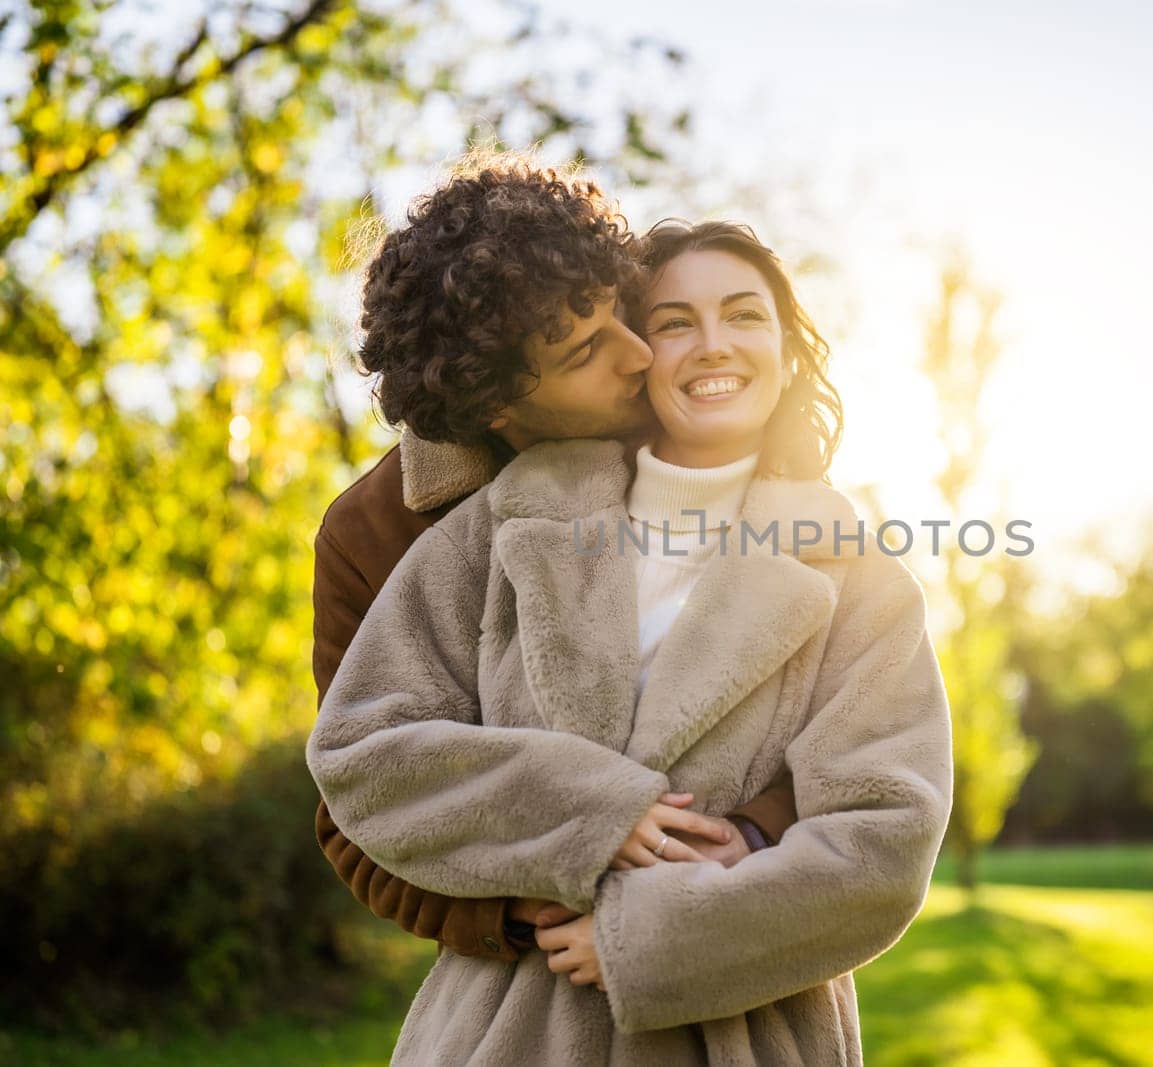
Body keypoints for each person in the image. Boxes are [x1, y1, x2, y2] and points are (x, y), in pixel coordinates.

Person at [306, 214, 953, 1064]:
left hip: (749, 1032)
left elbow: (886, 836)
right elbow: (363, 754)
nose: (709, 345)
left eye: (747, 315)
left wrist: (659, 929)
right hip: (511, 1028)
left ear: (792, 352)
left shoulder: (860, 577)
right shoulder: (492, 525)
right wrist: (582, 813)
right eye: (674, 322)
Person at [309, 152, 800, 965]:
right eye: (582, 353)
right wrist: (518, 909)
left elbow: (828, 705)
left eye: (618, 311)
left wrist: (748, 839)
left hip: (730, 941)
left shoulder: (682, 423)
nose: (638, 353)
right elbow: (354, 809)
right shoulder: (374, 534)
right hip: (535, 991)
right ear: (493, 403)